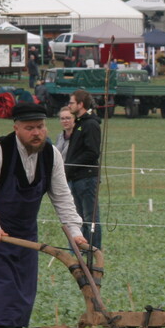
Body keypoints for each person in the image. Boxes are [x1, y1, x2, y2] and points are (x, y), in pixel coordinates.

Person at [0, 101, 85, 328]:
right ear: (17, 128)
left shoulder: (51, 154)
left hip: (25, 232)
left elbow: (62, 196)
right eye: (30, 128)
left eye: (41, 127)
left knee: (22, 288)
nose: (37, 133)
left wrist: (75, 232)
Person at [64, 89, 102, 249]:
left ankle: (93, 250)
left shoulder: (90, 124)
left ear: (80, 104)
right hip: (75, 178)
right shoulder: (80, 123)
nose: (69, 105)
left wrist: (71, 166)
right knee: (78, 217)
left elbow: (92, 152)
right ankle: (80, 250)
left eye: (72, 102)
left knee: (90, 218)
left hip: (86, 178)